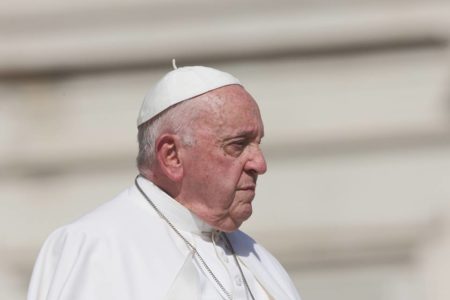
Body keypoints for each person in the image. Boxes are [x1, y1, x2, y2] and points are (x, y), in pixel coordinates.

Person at [27, 64, 301, 300]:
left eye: (257, 143)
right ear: (171, 156)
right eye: (237, 145)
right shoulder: (95, 248)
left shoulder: (260, 261)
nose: (259, 164)